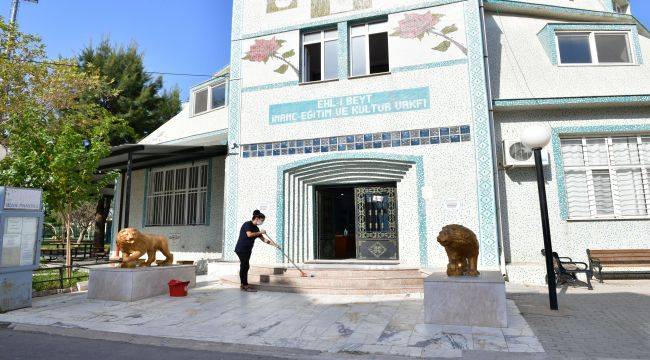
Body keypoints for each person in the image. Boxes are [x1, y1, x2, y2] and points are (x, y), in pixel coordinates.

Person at [234, 210, 274, 292]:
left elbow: (264, 240)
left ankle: (243, 285)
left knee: (244, 266)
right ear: (257, 218)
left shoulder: (256, 228)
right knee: (245, 266)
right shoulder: (247, 224)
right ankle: (245, 285)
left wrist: (274, 244)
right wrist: (260, 232)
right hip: (241, 249)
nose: (262, 222)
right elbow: (249, 234)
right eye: (262, 220)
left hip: (248, 250)